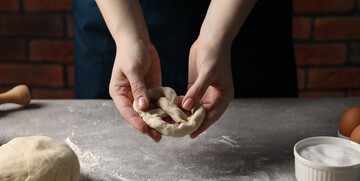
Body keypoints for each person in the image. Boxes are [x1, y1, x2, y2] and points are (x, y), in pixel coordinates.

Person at [72, 0, 298, 142]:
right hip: (116, 12)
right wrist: (129, 37)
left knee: (262, 134)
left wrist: (216, 38)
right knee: (100, 139)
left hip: (239, 15)